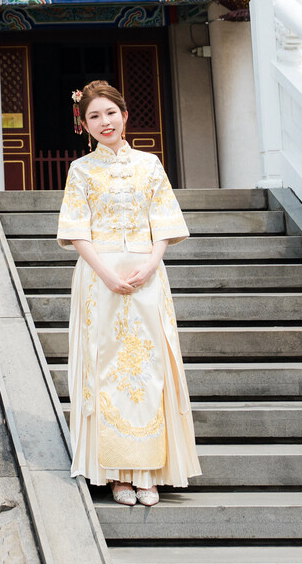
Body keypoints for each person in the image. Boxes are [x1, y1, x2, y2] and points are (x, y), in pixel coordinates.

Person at [57, 80, 200, 506]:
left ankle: (148, 473)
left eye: (110, 113)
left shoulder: (150, 165)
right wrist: (104, 273)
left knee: (149, 368)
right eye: (94, 116)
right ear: (84, 125)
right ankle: (116, 474)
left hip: (146, 276)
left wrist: (152, 264)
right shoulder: (81, 170)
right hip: (98, 279)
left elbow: (164, 223)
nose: (104, 122)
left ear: (124, 116)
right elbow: (77, 232)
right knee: (105, 368)